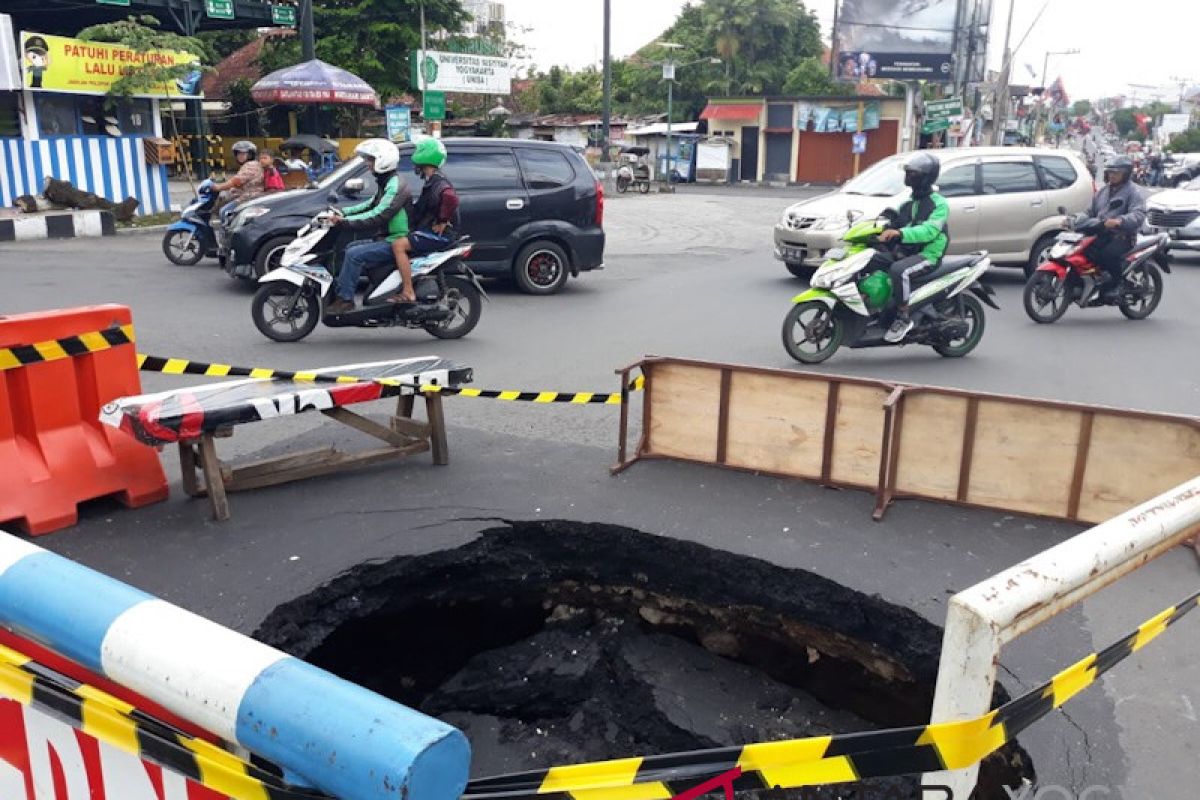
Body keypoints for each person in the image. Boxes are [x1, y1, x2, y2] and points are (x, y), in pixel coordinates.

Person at [325, 139, 412, 315]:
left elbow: (380, 213)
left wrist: (346, 222)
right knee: (350, 247)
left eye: (371, 160)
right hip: (387, 237)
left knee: (353, 254)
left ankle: (346, 300)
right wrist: (343, 212)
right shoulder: (386, 182)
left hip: (395, 238)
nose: (368, 163)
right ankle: (346, 291)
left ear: (383, 160)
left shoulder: (395, 184)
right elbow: (369, 205)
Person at [871, 152, 950, 342]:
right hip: (907, 251)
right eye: (908, 172)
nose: (909, 177)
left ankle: (903, 317)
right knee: (870, 259)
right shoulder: (910, 202)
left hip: (928, 255)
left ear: (925, 177)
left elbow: (929, 231)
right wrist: (881, 225)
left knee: (899, 271)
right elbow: (896, 219)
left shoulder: (939, 205)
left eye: (913, 173)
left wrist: (900, 234)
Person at [389, 137, 460, 305]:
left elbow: (451, 198)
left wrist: (443, 220)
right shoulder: (433, 180)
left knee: (398, 245)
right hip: (433, 231)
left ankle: (408, 291)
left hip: (443, 235)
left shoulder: (438, 182)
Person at [1083, 155, 1146, 302]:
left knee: (1107, 254)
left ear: (1125, 174)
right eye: (1110, 172)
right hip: (1103, 233)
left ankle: (1117, 284)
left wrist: (1119, 221)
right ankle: (1097, 280)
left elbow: (1139, 214)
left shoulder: (1133, 192)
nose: (1112, 175)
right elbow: (1089, 211)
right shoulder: (1102, 192)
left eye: (1116, 172)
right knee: (1084, 250)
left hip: (1123, 237)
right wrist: (1075, 219)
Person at [212, 140, 265, 207]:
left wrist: (218, 187)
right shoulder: (247, 165)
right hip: (243, 196)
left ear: (250, 155)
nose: (240, 156)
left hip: (248, 198)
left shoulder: (251, 165)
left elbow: (237, 181)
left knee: (224, 211)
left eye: (243, 154)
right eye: (238, 154)